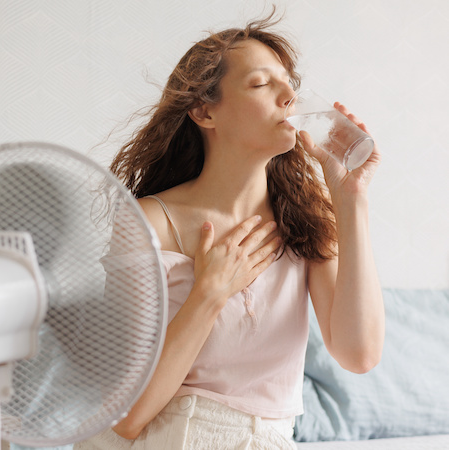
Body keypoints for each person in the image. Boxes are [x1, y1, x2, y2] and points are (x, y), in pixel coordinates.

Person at [75, 12, 384, 450]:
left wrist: (351, 200)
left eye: (288, 82)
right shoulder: (149, 221)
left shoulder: (308, 222)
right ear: (204, 111)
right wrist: (210, 291)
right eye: (261, 84)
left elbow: (360, 354)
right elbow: (128, 417)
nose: (289, 95)